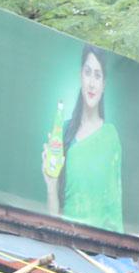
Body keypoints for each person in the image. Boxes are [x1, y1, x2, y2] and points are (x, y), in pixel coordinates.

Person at [44, 44, 124, 230]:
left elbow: (114, 207)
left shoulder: (110, 136)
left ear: (104, 84)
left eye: (98, 75)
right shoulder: (63, 132)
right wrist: (51, 183)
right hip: (66, 245)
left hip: (101, 250)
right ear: (80, 76)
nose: (91, 83)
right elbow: (53, 220)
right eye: (88, 73)